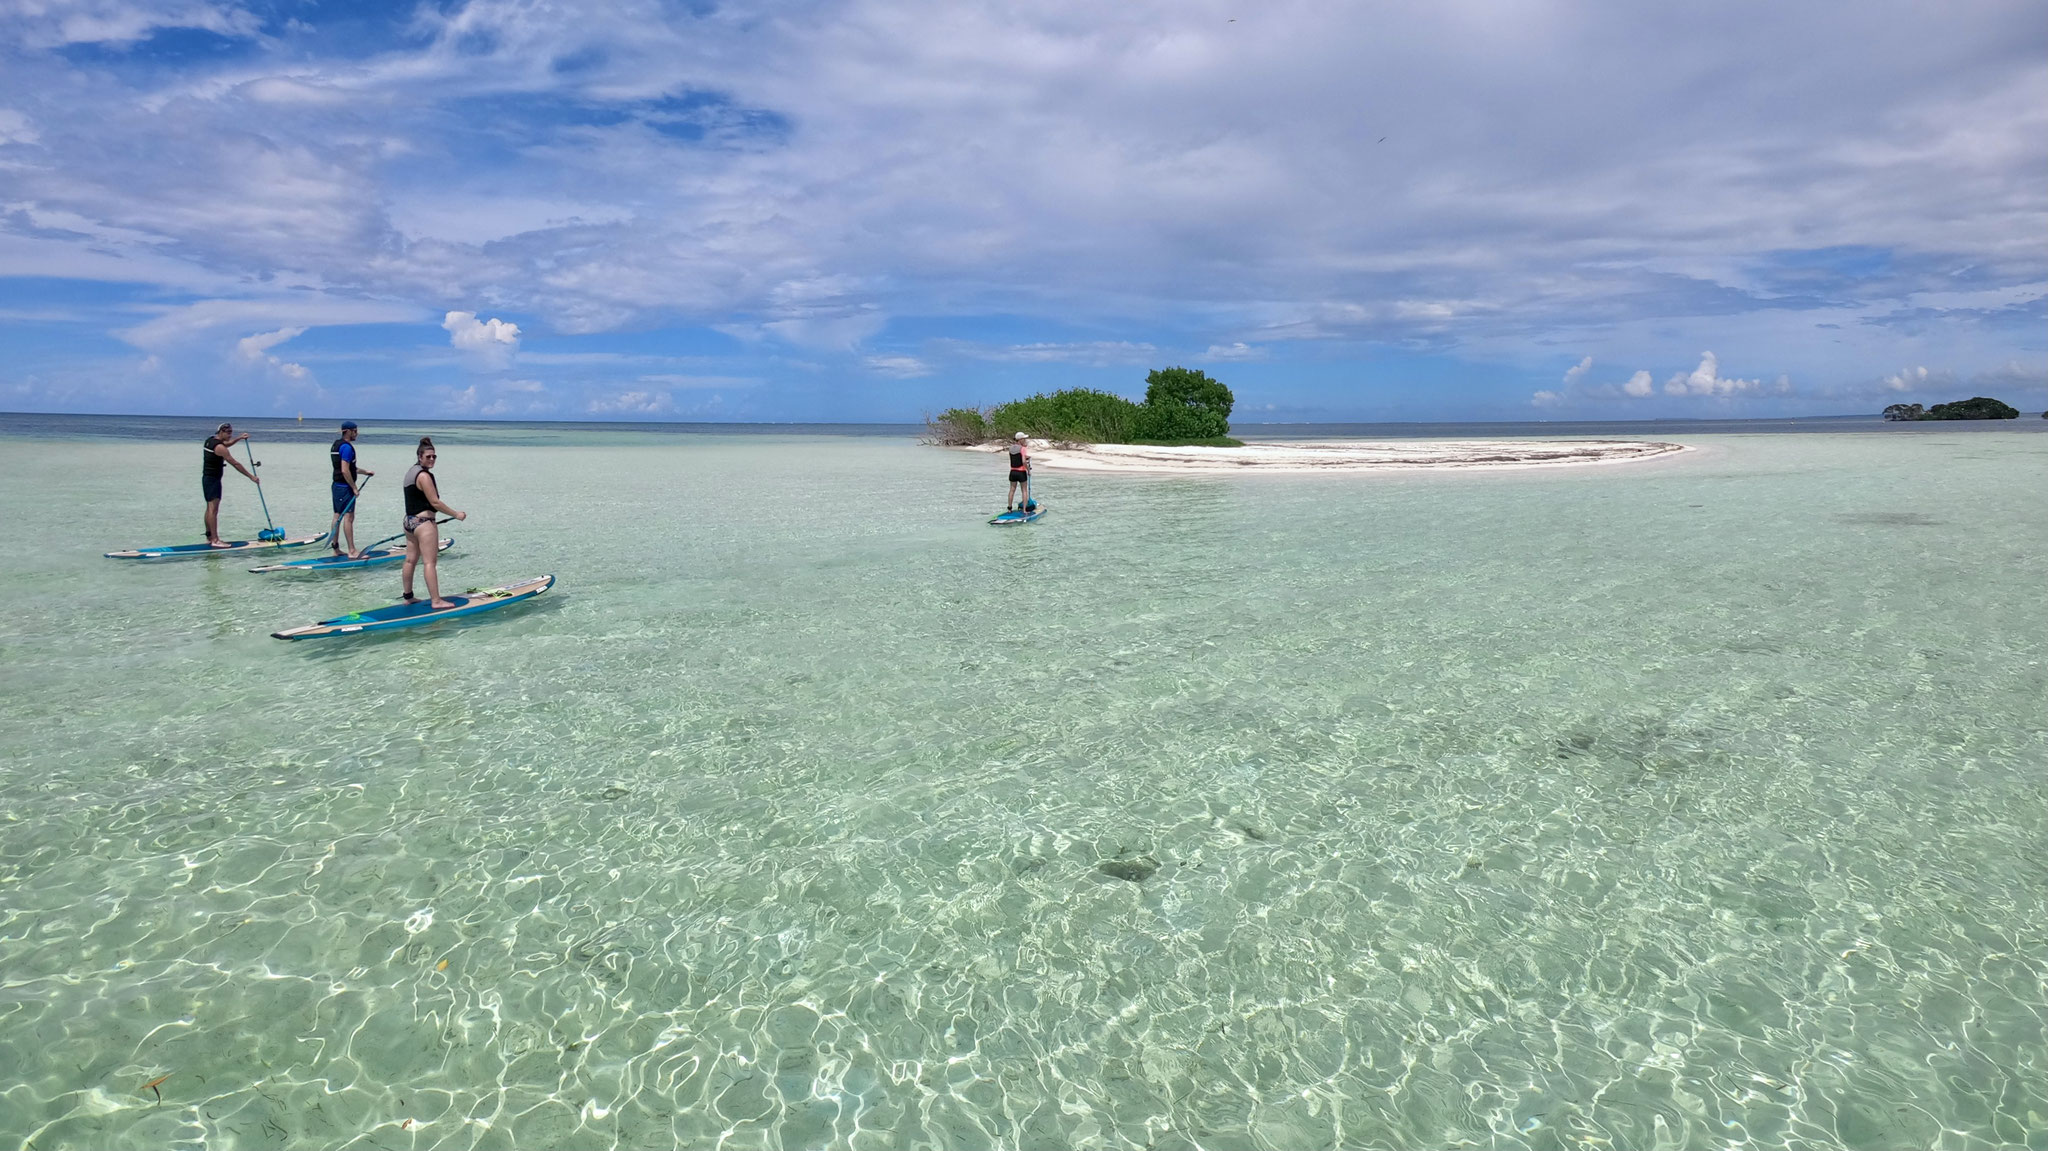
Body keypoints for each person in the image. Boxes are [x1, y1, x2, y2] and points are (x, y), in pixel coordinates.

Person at [400, 437, 467, 608]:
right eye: (428, 456)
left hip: (409, 522)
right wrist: (456, 514)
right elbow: (435, 502)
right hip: (424, 523)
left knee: (410, 560)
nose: (431, 459)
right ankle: (436, 601)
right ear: (420, 456)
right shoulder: (424, 476)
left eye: (434, 457)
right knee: (430, 562)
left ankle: (408, 596)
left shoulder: (411, 471)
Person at [200, 422, 259, 547]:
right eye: (228, 433)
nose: (230, 435)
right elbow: (235, 463)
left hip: (207, 478)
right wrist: (251, 477)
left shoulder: (210, 441)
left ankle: (209, 537)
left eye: (231, 433)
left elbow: (226, 444)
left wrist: (239, 438)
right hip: (213, 480)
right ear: (221, 432)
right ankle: (216, 540)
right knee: (213, 509)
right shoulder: (220, 448)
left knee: (209, 508)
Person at [327, 420, 375, 557]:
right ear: (347, 431)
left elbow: (350, 468)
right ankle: (352, 551)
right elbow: (344, 470)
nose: (357, 433)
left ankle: (335, 549)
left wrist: (366, 472)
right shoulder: (347, 448)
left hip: (336, 486)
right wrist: (354, 487)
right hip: (344, 488)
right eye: (355, 431)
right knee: (348, 517)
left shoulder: (336, 445)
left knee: (337, 516)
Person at [1006, 431, 1034, 512]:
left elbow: (1016, 457)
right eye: (1024, 439)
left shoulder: (1010, 448)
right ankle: (1024, 510)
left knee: (1012, 490)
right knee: (1024, 490)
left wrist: (1026, 456)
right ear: (1020, 439)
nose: (1025, 440)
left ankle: (1009, 508)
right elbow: (1023, 462)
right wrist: (1028, 470)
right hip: (1021, 472)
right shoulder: (1023, 448)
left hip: (1012, 472)